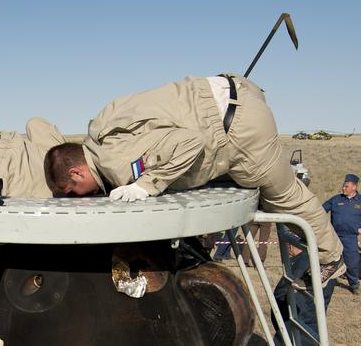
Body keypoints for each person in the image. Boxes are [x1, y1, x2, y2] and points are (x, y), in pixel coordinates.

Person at [42, 75, 344, 281]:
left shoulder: (116, 162)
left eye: (74, 190)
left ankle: (331, 258)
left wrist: (147, 185)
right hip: (236, 94)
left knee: (287, 196)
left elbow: (190, 143)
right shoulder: (103, 127)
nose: (79, 197)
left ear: (77, 172)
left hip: (240, 134)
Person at [321, 174, 361, 294]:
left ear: (354, 187)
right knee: (327, 259)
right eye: (343, 186)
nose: (343, 188)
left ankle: (354, 284)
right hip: (333, 236)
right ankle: (322, 281)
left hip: (350, 238)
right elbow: (321, 211)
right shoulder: (336, 199)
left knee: (352, 263)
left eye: (346, 186)